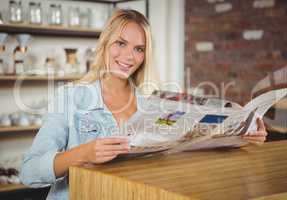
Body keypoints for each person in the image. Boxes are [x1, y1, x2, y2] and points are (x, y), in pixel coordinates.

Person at [20, 9, 267, 200]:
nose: (129, 57)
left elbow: (187, 149)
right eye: (121, 43)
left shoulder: (153, 105)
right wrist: (82, 154)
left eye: (139, 49)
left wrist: (243, 134)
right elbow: (29, 172)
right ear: (105, 42)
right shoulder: (70, 97)